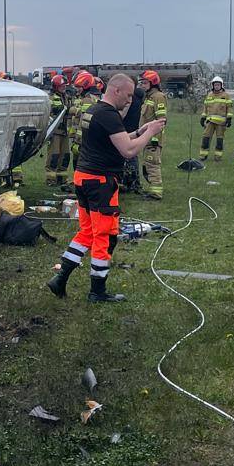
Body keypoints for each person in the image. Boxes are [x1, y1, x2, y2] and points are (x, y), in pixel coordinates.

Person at [46, 73, 166, 303]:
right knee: (105, 236)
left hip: (84, 178)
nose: (130, 100)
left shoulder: (94, 110)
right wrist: (150, 133)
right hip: (101, 182)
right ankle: (97, 291)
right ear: (116, 90)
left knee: (87, 232)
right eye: (128, 95)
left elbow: (116, 139)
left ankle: (60, 278)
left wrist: (139, 132)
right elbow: (128, 150)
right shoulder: (109, 114)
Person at [137, 70, 168, 200]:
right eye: (141, 83)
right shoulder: (149, 97)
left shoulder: (158, 97)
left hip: (153, 139)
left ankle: (156, 193)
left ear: (153, 83)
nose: (142, 85)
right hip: (147, 138)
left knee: (152, 165)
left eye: (145, 83)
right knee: (147, 165)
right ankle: (152, 190)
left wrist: (154, 138)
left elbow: (161, 120)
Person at [45, 73, 72, 190]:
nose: (64, 88)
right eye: (62, 86)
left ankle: (62, 179)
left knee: (65, 156)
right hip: (55, 131)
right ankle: (51, 180)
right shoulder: (51, 97)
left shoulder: (66, 96)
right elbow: (53, 110)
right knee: (54, 156)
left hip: (65, 131)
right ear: (56, 86)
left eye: (65, 86)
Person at [199, 75, 232, 161]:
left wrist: (229, 118)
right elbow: (205, 107)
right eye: (215, 85)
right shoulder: (209, 95)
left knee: (219, 140)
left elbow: (229, 107)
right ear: (213, 85)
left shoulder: (226, 95)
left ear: (221, 85)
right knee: (206, 138)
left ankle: (218, 157)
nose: (216, 86)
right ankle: (203, 156)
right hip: (210, 122)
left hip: (221, 123)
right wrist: (203, 117)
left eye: (218, 85)